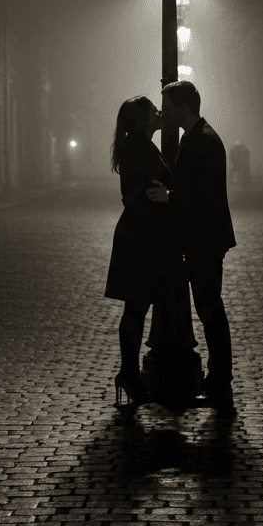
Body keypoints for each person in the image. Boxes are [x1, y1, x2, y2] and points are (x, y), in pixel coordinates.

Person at [146, 80, 237, 412]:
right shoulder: (200, 136)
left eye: (168, 107)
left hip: (205, 239)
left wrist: (168, 197)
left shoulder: (203, 141)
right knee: (209, 306)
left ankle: (220, 378)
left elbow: (201, 194)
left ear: (183, 109)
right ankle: (218, 377)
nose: (164, 113)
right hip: (206, 237)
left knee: (210, 308)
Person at [104, 95, 182, 406]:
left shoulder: (140, 144)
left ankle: (130, 374)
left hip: (141, 234)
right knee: (136, 308)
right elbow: (136, 195)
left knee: (136, 308)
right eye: (152, 110)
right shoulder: (139, 147)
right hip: (142, 237)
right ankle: (129, 374)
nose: (159, 112)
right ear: (141, 119)